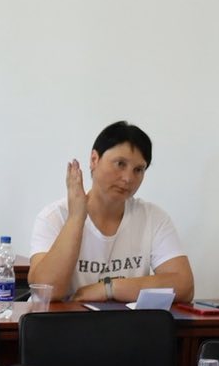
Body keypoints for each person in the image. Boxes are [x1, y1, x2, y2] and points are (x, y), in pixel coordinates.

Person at [28, 121, 194, 304]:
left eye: (138, 170)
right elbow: (47, 292)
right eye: (120, 164)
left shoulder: (153, 218)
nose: (128, 178)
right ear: (94, 160)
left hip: (123, 321)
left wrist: (108, 288)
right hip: (65, 321)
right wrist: (76, 218)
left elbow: (184, 286)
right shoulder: (54, 217)